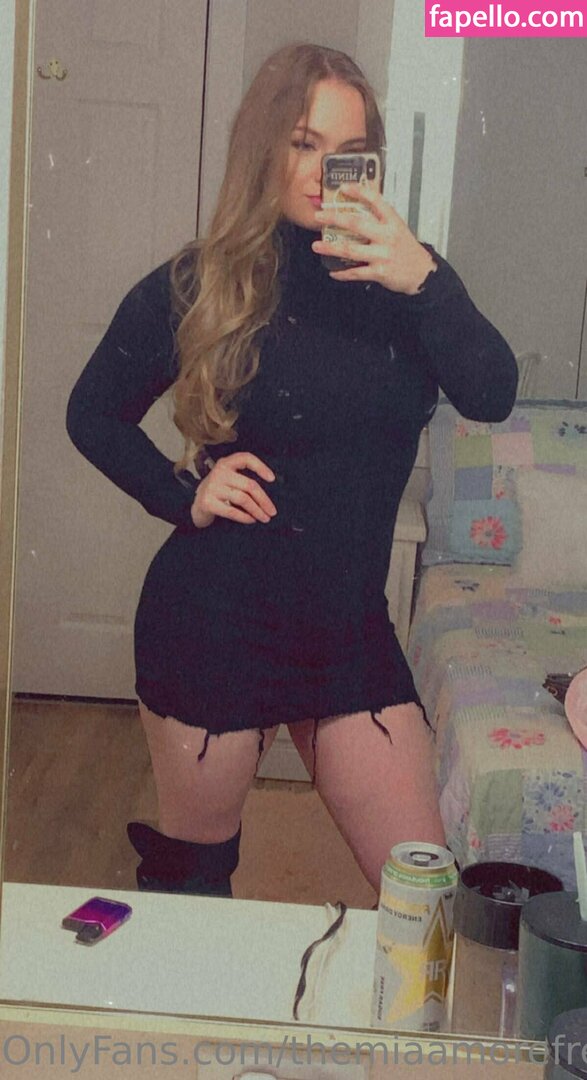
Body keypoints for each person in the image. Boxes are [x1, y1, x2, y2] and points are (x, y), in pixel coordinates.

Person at [66, 43, 518, 901]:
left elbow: (492, 392)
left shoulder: (406, 279)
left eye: (346, 150)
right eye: (302, 143)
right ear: (262, 148)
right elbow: (91, 412)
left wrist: (423, 279)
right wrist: (181, 494)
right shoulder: (203, 280)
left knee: (426, 899)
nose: (320, 171)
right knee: (196, 892)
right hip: (213, 623)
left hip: (346, 629)